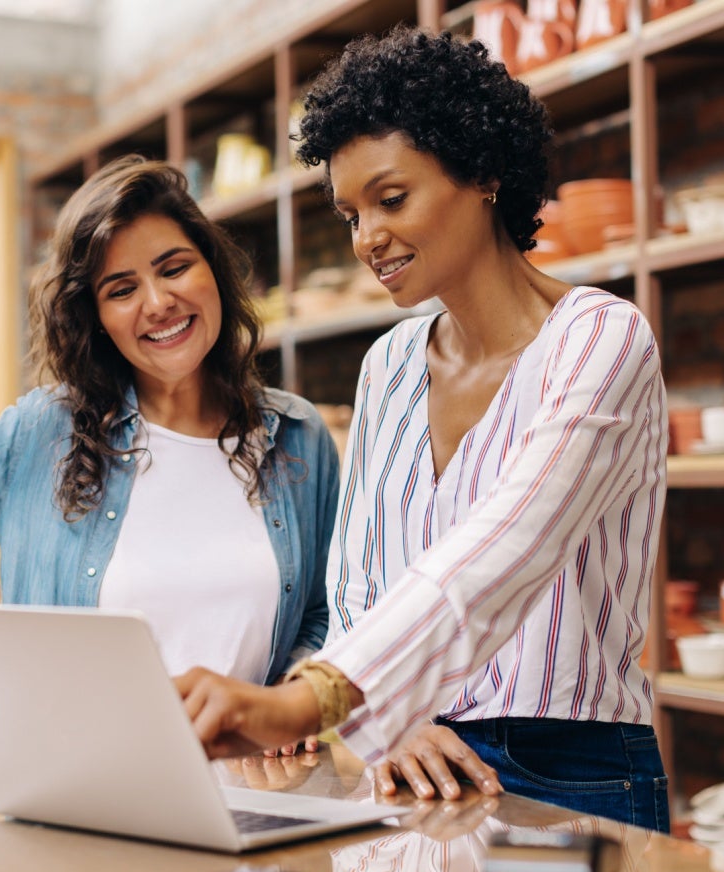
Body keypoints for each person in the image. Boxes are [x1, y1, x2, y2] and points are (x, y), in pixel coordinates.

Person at [175, 27, 669, 829]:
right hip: (408, 756)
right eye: (349, 213)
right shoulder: (390, 363)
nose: (367, 236)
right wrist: (390, 721)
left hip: (571, 769)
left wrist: (311, 700)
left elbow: (508, 550)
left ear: (482, 173)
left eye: (391, 199)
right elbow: (360, 582)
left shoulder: (599, 339)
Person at [0, 155, 339, 698]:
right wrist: (16, 622)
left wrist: (290, 695)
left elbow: (325, 610)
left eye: (174, 268)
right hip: (87, 769)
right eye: (121, 290)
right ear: (94, 317)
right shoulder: (46, 430)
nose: (160, 303)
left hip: (248, 779)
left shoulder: (297, 434)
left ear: (214, 270)